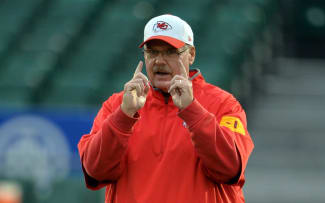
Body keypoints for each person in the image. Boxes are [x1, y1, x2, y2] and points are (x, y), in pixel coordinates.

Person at [78, 14, 254, 203]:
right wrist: (123, 116)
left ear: (191, 54)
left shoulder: (223, 104)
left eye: (171, 52)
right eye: (152, 52)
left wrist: (192, 110)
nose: (159, 61)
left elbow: (230, 168)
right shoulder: (119, 105)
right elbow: (94, 171)